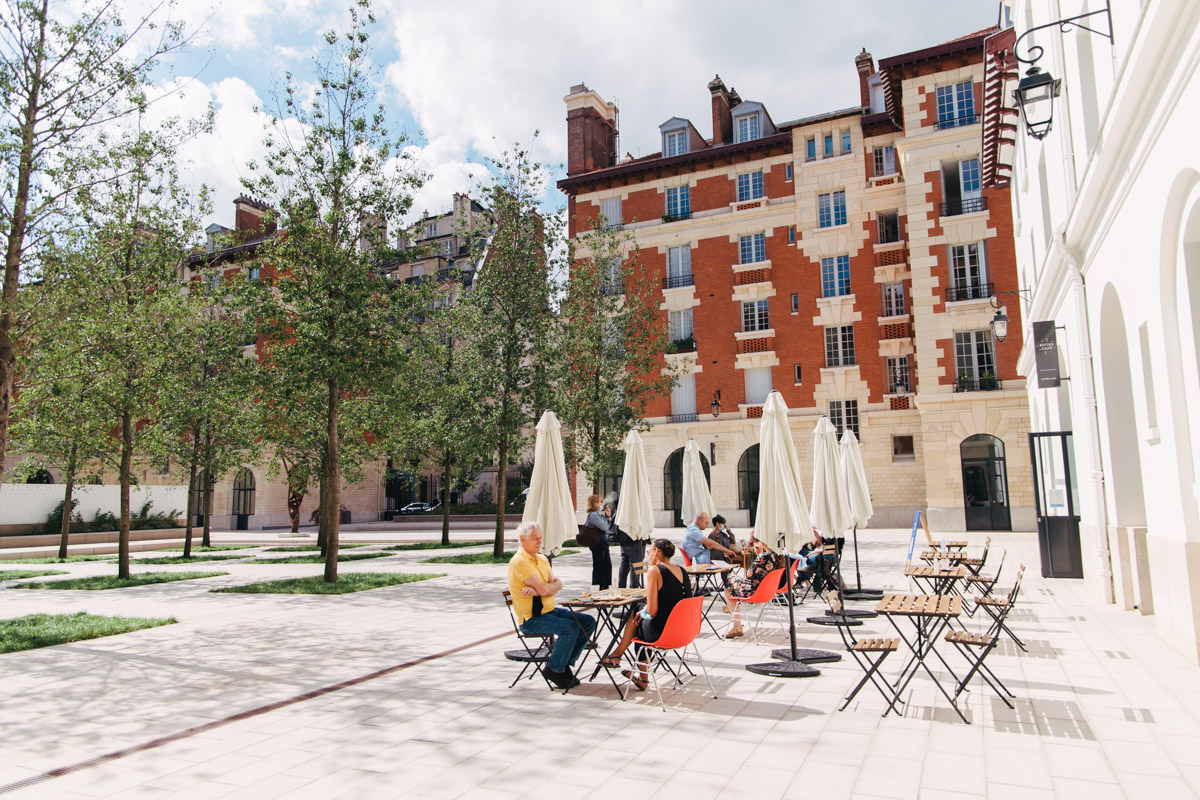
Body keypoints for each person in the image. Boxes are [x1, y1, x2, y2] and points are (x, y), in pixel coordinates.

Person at [507, 521, 597, 689]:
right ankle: (554, 669)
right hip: (532, 619)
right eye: (535, 538)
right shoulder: (520, 561)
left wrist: (544, 589)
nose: (540, 542)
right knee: (570, 628)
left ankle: (564, 665)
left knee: (588, 622)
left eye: (540, 538)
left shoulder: (541, 558)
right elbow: (547, 587)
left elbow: (556, 585)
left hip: (550, 610)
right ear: (522, 539)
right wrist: (545, 589)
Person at [599, 538, 692, 690]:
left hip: (663, 633)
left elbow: (652, 610)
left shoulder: (654, 570)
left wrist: (643, 612)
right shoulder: (681, 570)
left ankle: (626, 664)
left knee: (638, 623)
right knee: (639, 611)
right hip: (683, 631)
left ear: (657, 552)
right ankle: (616, 655)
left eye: (649, 551)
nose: (648, 555)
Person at [722, 537, 779, 639]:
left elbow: (749, 574)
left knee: (728, 582)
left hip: (753, 591)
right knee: (731, 583)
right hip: (767, 591)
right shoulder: (775, 556)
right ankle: (736, 625)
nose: (755, 549)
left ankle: (737, 626)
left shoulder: (763, 556)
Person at [585, 494, 614, 590]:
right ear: (592, 504)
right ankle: (600, 589)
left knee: (607, 567)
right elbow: (606, 527)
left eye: (602, 501)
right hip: (597, 545)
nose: (602, 503)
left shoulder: (599, 515)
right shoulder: (593, 515)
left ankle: (606, 588)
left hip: (603, 544)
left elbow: (608, 526)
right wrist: (607, 521)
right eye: (599, 502)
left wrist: (608, 516)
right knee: (600, 568)